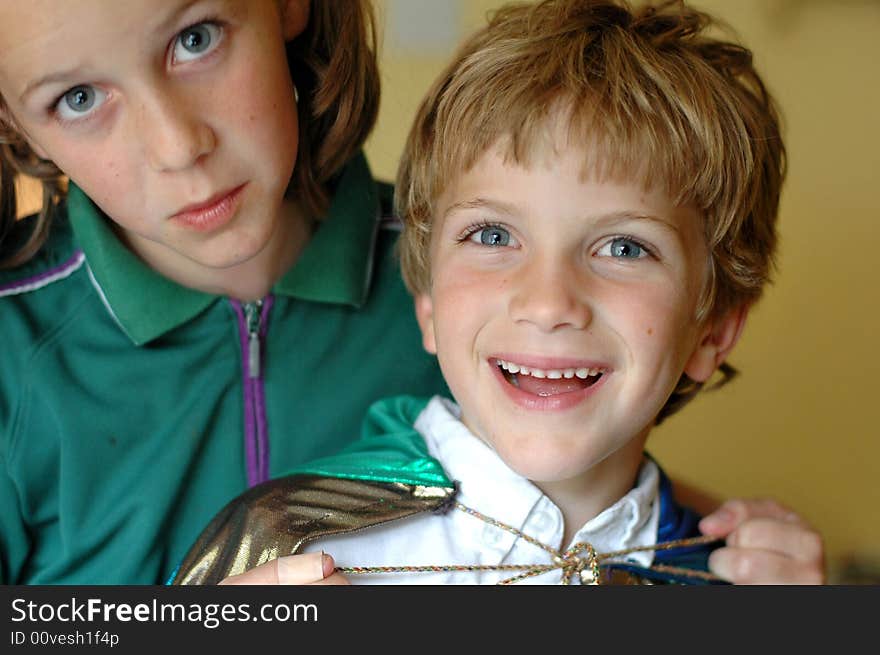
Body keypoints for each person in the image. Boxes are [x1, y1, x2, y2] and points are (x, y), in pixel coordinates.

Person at [0, 0, 822, 585]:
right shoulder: (15, 344)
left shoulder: (462, 268)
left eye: (197, 37)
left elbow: (589, 490)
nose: (177, 146)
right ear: (13, 121)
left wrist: (713, 553)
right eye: (77, 98)